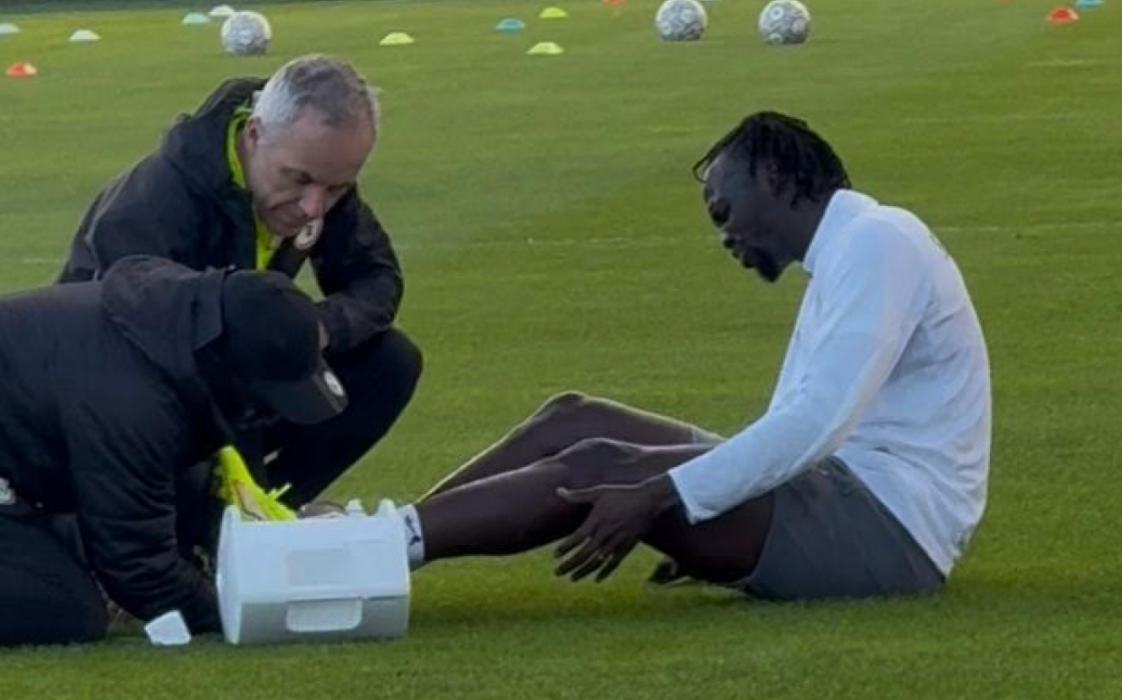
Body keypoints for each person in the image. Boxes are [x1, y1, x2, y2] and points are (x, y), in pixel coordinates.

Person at [391, 112, 991, 600]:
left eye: (723, 212)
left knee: (602, 464)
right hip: (848, 500)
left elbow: (815, 423)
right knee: (573, 417)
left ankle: (377, 550)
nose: (724, 235)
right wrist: (716, 508)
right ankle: (398, 533)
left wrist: (665, 495)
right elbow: (799, 424)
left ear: (776, 179)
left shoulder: (877, 240)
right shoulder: (850, 248)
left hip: (891, 534)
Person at [57, 54, 421, 509]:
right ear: (253, 134)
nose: (314, 207)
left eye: (337, 188)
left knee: (390, 364)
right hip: (125, 395)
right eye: (300, 179)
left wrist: (315, 327)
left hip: (231, 377)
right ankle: (217, 522)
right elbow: (123, 345)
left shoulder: (316, 177)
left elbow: (377, 277)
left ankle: (269, 510)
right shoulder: (153, 204)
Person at [0, 256, 346, 646]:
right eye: (262, 399)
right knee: (62, 603)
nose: (260, 414)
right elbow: (136, 566)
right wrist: (229, 610)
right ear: (228, 369)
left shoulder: (169, 321)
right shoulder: (134, 404)